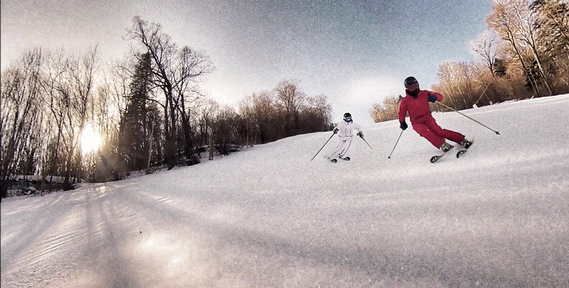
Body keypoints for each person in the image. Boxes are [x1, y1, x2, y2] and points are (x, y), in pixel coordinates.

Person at [398, 76, 473, 152]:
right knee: (425, 132)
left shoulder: (424, 93)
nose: (415, 89)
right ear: (407, 88)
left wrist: (434, 97)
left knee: (439, 131)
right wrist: (402, 122)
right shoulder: (405, 100)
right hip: (416, 122)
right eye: (412, 87)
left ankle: (461, 140)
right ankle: (442, 144)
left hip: (428, 118)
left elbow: (440, 96)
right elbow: (401, 112)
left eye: (416, 86)